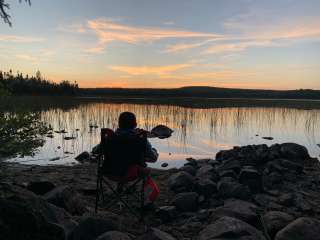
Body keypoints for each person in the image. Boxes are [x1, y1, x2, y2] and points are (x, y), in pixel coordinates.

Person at [104, 111, 160, 206]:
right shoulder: (140, 139)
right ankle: (147, 202)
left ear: (119, 124)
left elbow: (97, 151)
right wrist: (154, 151)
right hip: (130, 174)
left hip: (109, 172)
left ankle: (120, 188)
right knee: (144, 161)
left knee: (122, 158)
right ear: (135, 124)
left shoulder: (109, 138)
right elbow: (153, 157)